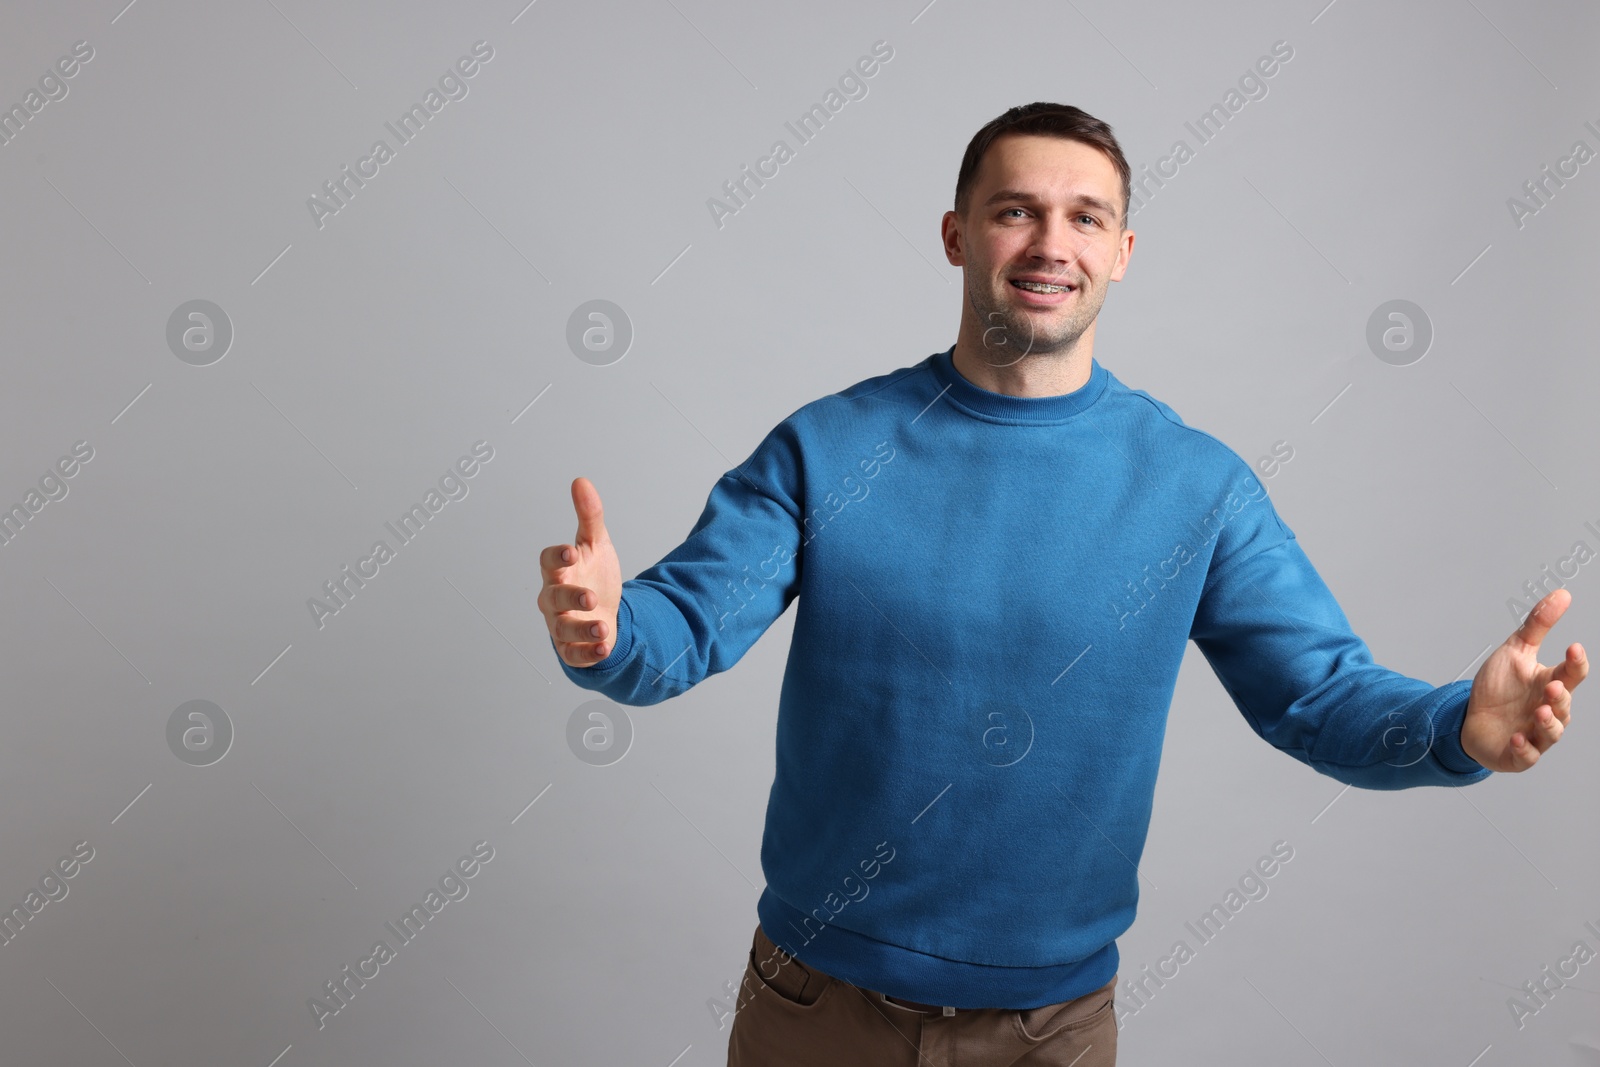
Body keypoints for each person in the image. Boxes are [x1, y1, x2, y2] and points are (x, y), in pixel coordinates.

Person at [539, 103, 1585, 1066]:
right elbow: (682, 626)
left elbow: (1318, 694)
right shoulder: (827, 447)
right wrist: (607, 628)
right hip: (814, 1013)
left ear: (1121, 253)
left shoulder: (1197, 488)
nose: (1050, 244)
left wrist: (1454, 726)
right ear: (956, 235)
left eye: (1085, 217)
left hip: (1053, 1033)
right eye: (1015, 212)